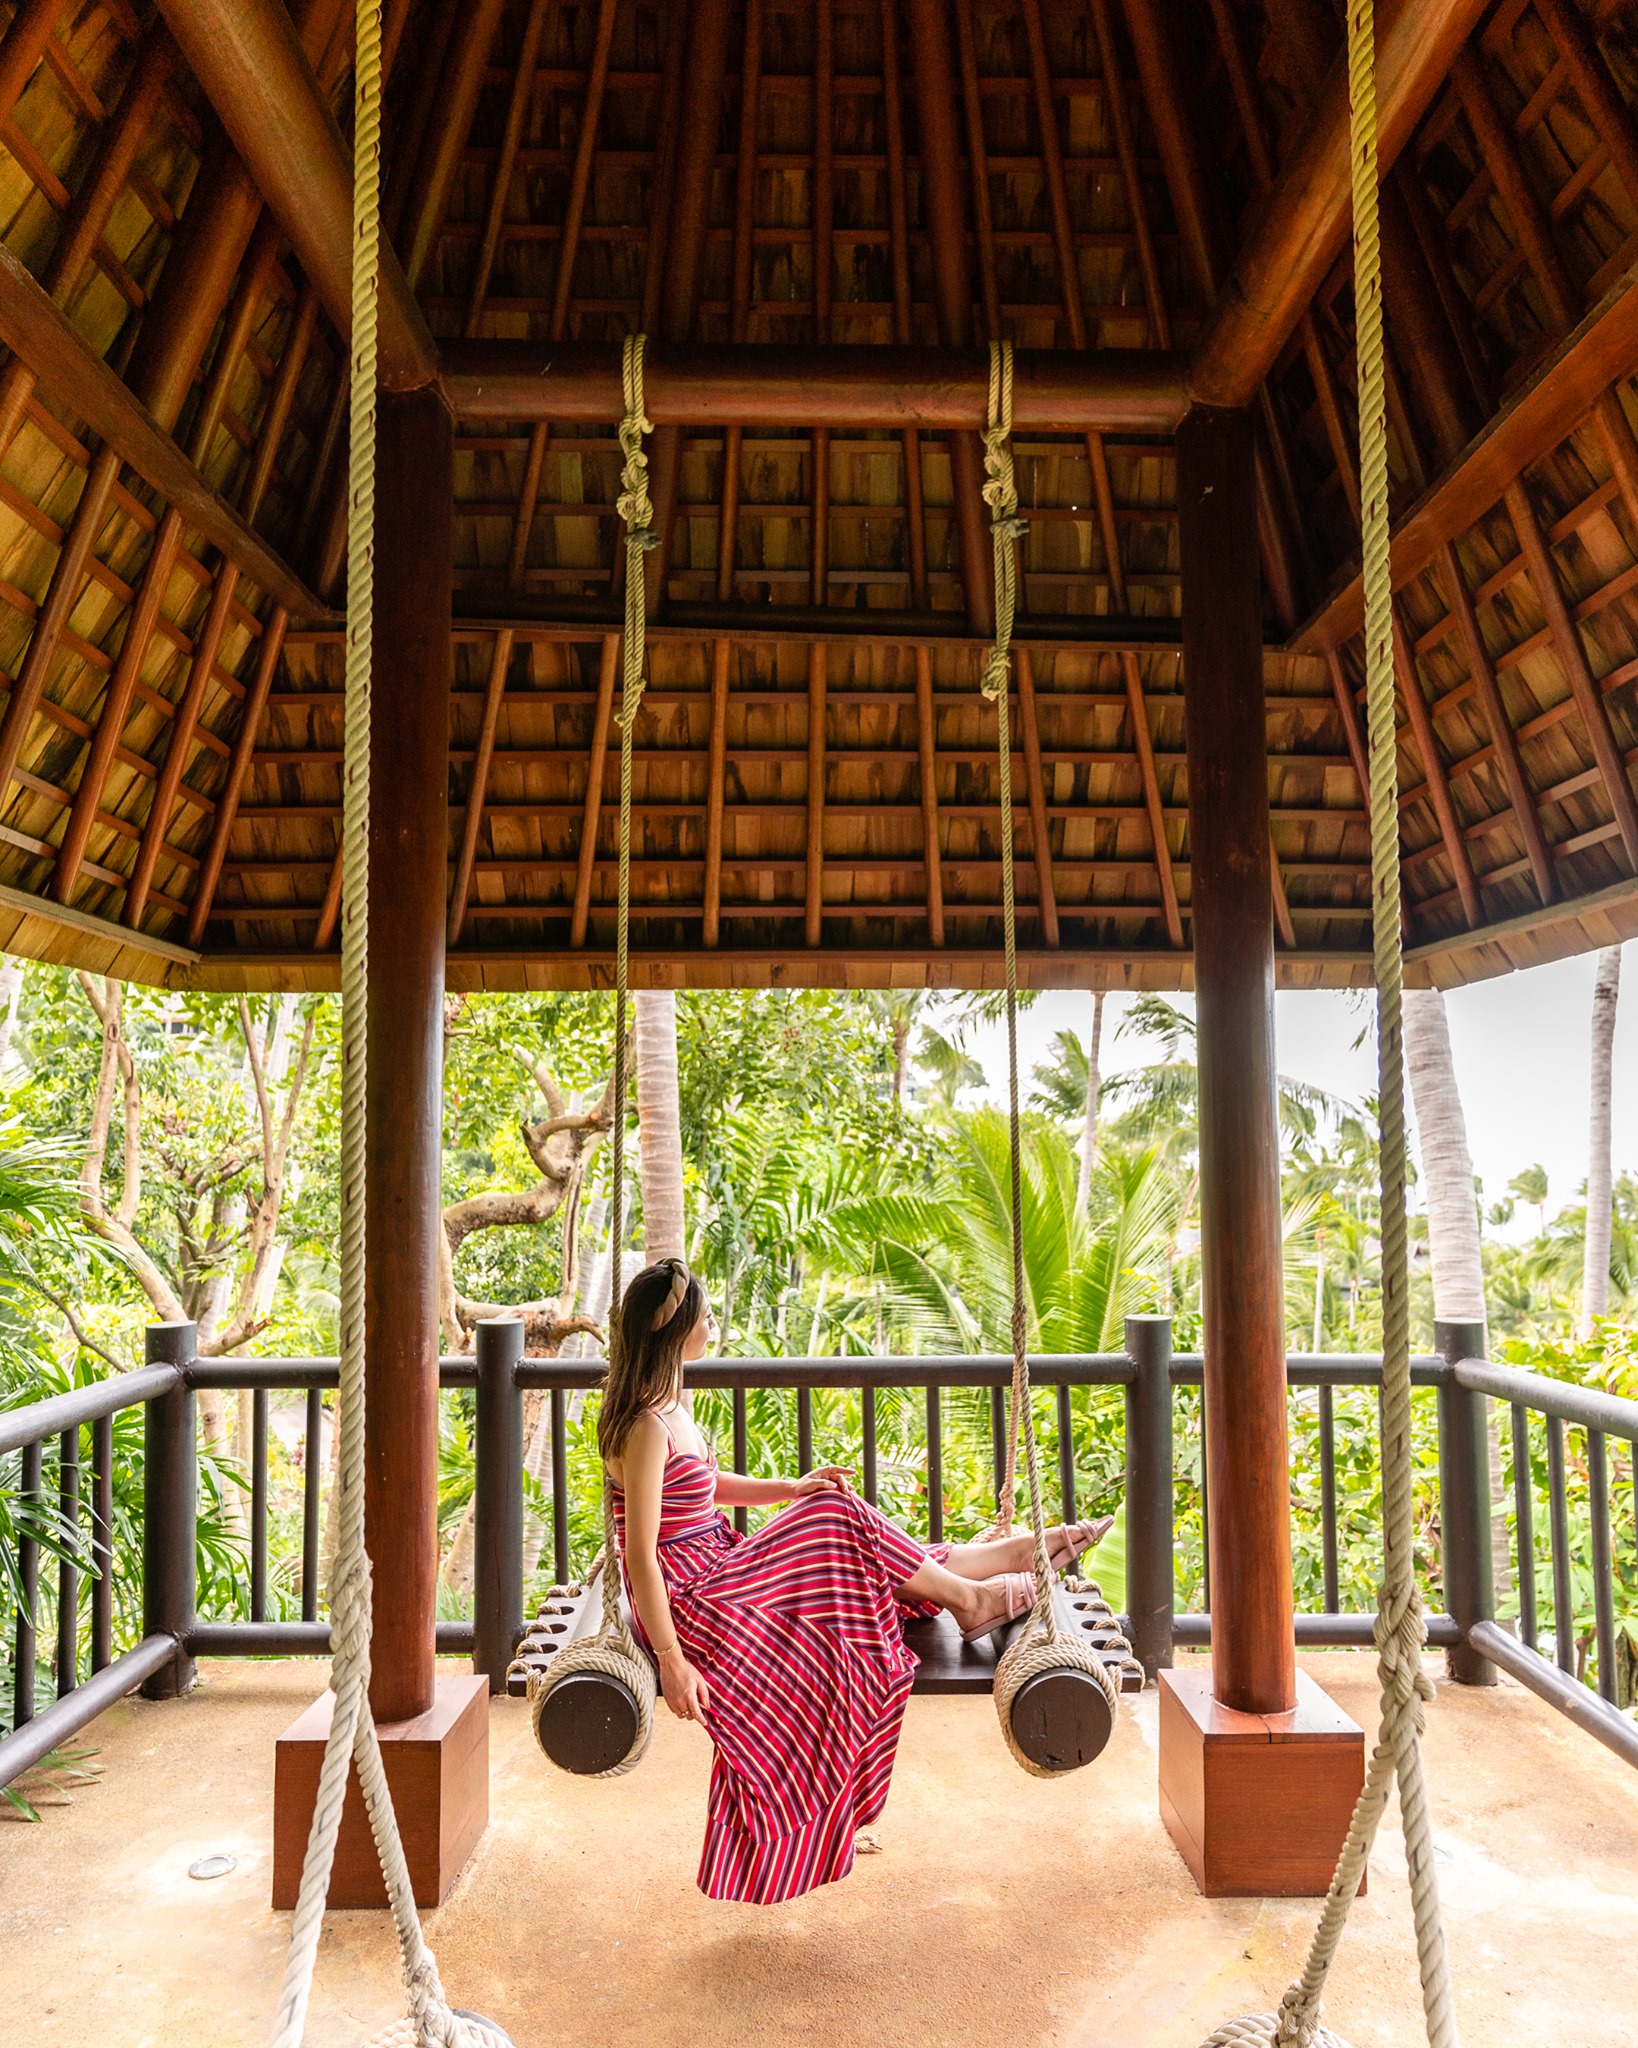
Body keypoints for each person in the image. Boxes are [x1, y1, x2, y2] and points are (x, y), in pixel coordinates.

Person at [602, 1256, 1113, 1904]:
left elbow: (707, 1485)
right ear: (672, 1330)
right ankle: (972, 1592)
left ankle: (986, 1568)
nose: (713, 1322)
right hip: (696, 1597)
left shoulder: (669, 1408)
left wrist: (790, 1487)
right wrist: (673, 1661)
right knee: (835, 1518)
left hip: (718, 1563)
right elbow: (641, 1556)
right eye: (704, 1314)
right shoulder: (645, 1428)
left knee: (834, 1520)